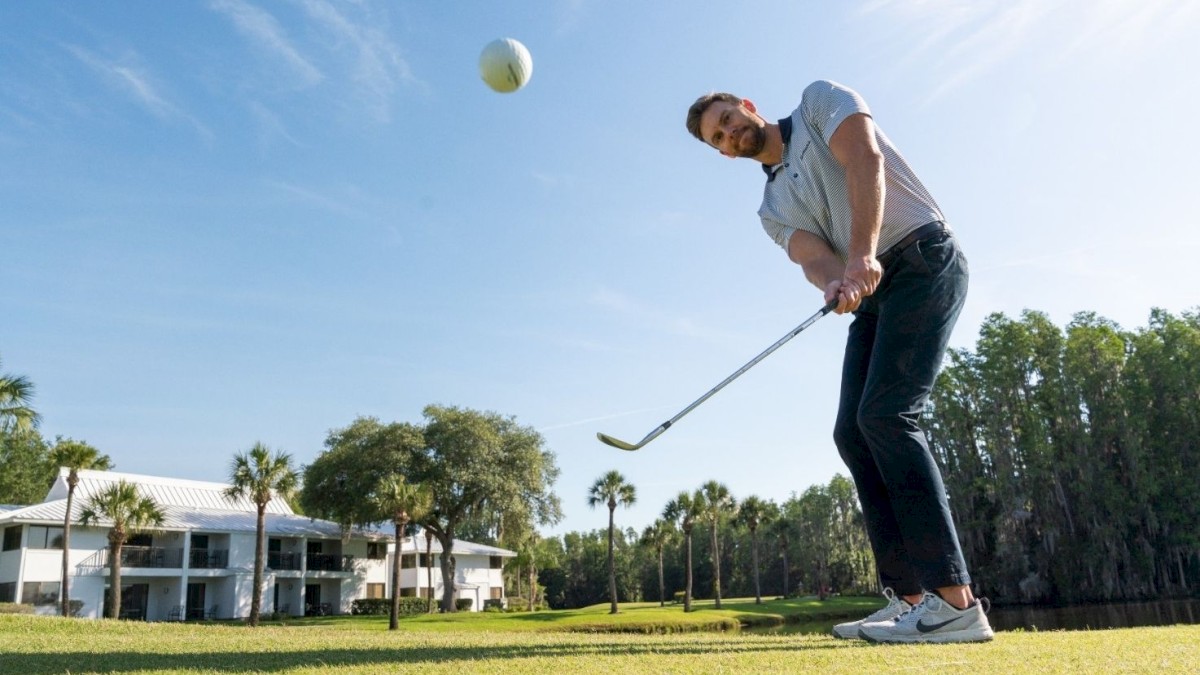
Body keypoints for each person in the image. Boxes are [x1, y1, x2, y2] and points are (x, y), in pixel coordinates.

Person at [685, 81, 994, 644]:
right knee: (853, 432)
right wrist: (835, 282)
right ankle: (910, 599)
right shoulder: (772, 207)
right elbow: (812, 257)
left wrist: (862, 256)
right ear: (723, 153)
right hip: (870, 289)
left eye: (729, 118)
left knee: (888, 416)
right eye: (719, 137)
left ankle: (956, 603)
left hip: (923, 260)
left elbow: (865, 161)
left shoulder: (818, 102)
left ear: (748, 105)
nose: (730, 132)